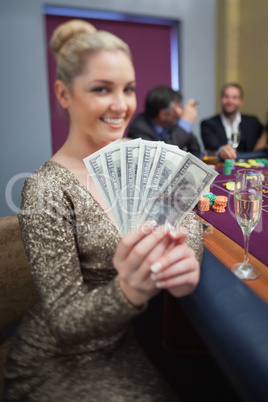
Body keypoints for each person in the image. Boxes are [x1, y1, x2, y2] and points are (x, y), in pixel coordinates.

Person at [4, 20, 203, 402]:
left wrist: (184, 257)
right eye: (101, 89)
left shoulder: (140, 158)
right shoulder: (46, 189)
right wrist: (129, 290)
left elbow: (186, 217)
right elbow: (63, 322)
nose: (121, 104)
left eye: (128, 88)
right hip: (59, 356)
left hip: (122, 340)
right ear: (64, 94)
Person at [127, 86, 201, 157]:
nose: (180, 113)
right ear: (163, 115)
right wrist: (185, 124)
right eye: (175, 110)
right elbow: (162, 156)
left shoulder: (173, 122)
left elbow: (195, 150)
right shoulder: (139, 129)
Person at [201, 83, 264, 160]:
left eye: (235, 97)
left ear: (241, 101)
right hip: (222, 166)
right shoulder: (207, 124)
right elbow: (211, 145)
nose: (230, 101)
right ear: (221, 99)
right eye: (226, 96)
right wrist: (222, 150)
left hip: (248, 166)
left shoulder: (253, 122)